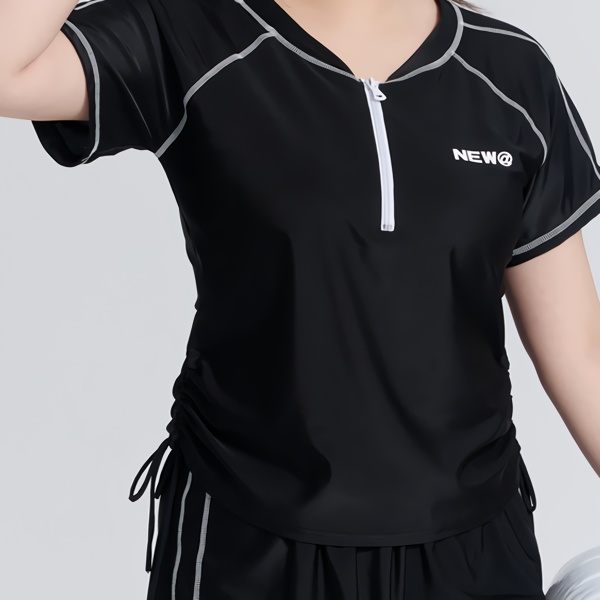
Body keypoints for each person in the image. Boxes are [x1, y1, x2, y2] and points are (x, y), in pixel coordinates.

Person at [1, 0, 599, 597]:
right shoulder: (189, 30)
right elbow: (9, 71)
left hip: (473, 546)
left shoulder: (510, 70)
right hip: (249, 538)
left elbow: (581, 355)